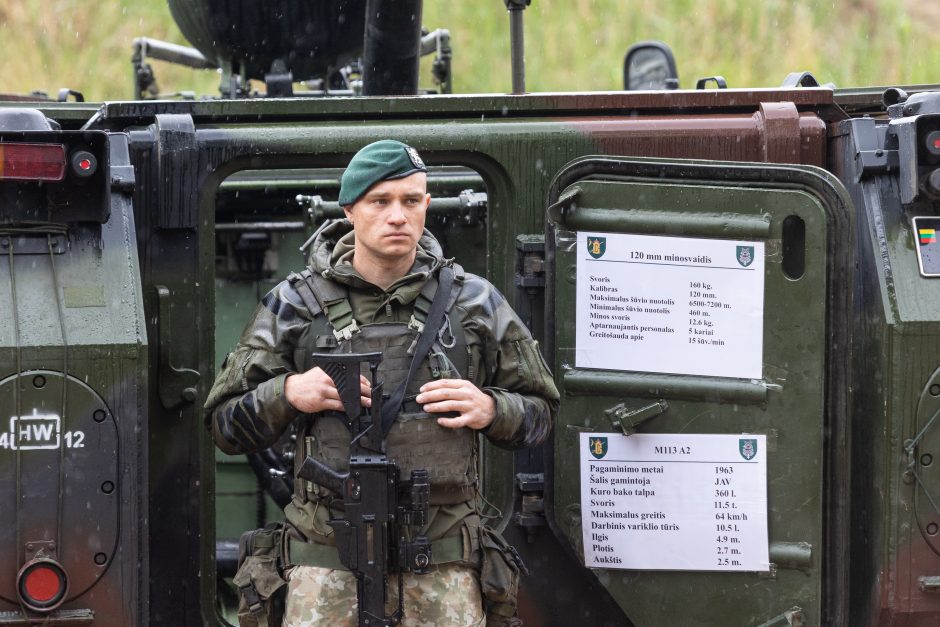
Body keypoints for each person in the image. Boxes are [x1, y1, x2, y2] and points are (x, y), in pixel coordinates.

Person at [205, 140, 559, 627]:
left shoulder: (475, 303)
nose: (398, 216)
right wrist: (287, 393)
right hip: (327, 561)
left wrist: (492, 409)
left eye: (411, 201)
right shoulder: (294, 304)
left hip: (443, 561)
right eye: (380, 201)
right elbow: (224, 426)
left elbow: (542, 414)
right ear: (350, 210)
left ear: (427, 206)